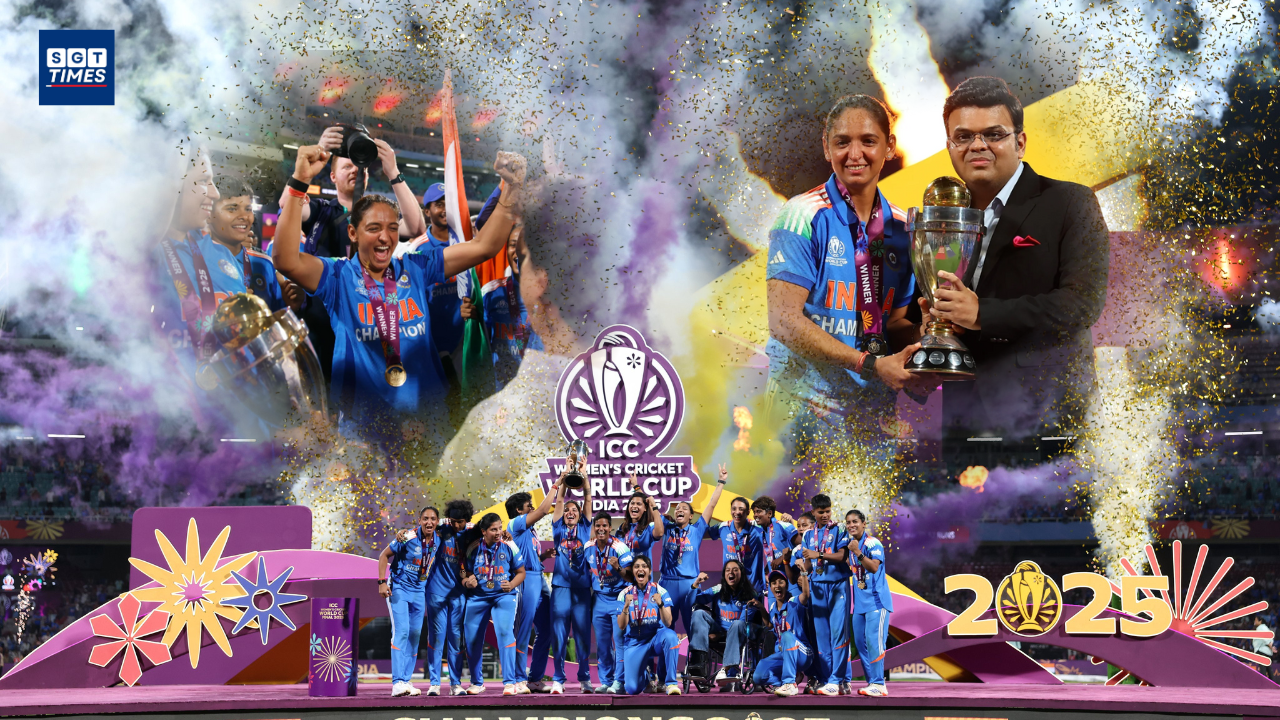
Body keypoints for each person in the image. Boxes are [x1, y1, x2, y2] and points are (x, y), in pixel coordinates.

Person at [270, 145, 525, 434]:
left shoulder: (415, 267)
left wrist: (512, 188)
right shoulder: (337, 276)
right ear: (353, 233)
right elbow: (285, 260)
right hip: (366, 428)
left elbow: (485, 247)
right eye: (374, 228)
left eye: (392, 228)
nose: (385, 237)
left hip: (426, 421)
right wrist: (299, 180)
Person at [922, 76, 1109, 440]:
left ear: (1019, 142)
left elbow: (1082, 304)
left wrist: (980, 315)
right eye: (963, 136)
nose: (977, 145)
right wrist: (933, 320)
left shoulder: (1070, 202)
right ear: (949, 145)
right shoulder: (942, 213)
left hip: (1050, 418)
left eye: (993, 134)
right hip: (965, 417)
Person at [766, 94, 927, 441]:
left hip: (870, 417)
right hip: (801, 411)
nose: (854, 155)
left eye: (868, 141)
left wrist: (925, 349)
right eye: (842, 142)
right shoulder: (802, 215)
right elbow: (783, 321)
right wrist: (868, 363)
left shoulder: (903, 227)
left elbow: (895, 324)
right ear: (827, 147)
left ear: (889, 147)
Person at [279, 128, 427, 384]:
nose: (356, 171)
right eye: (347, 166)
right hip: (322, 322)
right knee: (323, 397)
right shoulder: (318, 210)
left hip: (368, 322)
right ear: (333, 176)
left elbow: (415, 228)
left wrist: (393, 171)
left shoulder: (378, 218)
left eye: (361, 167)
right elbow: (286, 204)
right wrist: (318, 152)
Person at [209, 177, 301, 313]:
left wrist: (292, 306)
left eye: (248, 209)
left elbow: (277, 318)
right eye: (232, 209)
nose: (244, 216)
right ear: (209, 214)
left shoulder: (264, 264)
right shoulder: (197, 259)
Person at [460, 512, 526, 695]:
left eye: (499, 528)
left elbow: (521, 572)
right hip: (478, 597)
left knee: (505, 632)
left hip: (503, 596)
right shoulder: (473, 548)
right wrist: (466, 581)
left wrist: (512, 584)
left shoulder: (509, 544)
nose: (498, 532)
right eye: (493, 529)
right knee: (471, 638)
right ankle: (476, 682)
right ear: (483, 531)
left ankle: (510, 683)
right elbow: (463, 572)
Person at [377, 507, 439, 697]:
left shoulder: (438, 538)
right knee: (401, 631)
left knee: (414, 635)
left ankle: (406, 680)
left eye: (433, 519)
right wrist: (381, 582)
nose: (429, 522)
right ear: (419, 520)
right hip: (399, 588)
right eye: (425, 519)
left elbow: (460, 523)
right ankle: (396, 682)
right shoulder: (407, 537)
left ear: (438, 521)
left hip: (419, 591)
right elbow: (383, 555)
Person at [793, 494, 851, 696]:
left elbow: (843, 557)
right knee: (822, 638)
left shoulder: (840, 528)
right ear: (814, 512)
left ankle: (839, 679)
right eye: (821, 512)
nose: (825, 515)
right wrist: (803, 568)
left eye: (828, 511)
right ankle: (827, 680)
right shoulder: (808, 535)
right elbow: (809, 565)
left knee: (838, 635)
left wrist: (819, 555)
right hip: (817, 587)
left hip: (837, 585)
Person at [660, 465, 727, 634]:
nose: (680, 510)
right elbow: (650, 508)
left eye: (684, 508)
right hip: (667, 582)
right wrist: (636, 487)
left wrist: (720, 482)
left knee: (693, 627)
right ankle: (663, 661)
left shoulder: (696, 530)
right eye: (678, 509)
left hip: (690, 583)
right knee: (665, 627)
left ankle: (696, 660)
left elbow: (711, 505)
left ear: (691, 516)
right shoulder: (667, 527)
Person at [504, 483, 558, 694]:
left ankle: (535, 678)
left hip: (539, 578)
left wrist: (542, 557)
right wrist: (557, 484)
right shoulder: (515, 523)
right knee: (523, 629)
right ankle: (518, 678)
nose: (533, 508)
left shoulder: (529, 529)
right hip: (525, 578)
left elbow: (527, 554)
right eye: (529, 505)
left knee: (547, 629)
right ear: (519, 510)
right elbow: (544, 510)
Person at [547, 463, 595, 694]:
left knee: (582, 635)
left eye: (573, 510)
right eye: (567, 510)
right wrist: (564, 480)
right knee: (559, 635)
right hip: (560, 588)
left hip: (582, 589)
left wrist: (584, 479)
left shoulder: (586, 527)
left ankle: (584, 677)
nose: (570, 512)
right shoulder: (558, 529)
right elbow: (558, 501)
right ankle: (558, 678)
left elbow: (587, 500)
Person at [425, 499, 473, 696]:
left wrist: (505, 535)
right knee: (436, 638)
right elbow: (423, 526)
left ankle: (455, 684)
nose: (455, 525)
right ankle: (434, 684)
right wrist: (404, 533)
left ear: (466, 520)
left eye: (459, 521)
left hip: (458, 595)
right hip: (436, 591)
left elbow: (491, 533)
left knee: (455, 639)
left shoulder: (472, 534)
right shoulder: (442, 528)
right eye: (452, 520)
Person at [584, 510, 634, 694]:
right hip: (598, 599)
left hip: (618, 599)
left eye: (605, 526)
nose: (601, 529)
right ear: (594, 528)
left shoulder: (620, 548)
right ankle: (606, 681)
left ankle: (619, 682)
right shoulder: (588, 546)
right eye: (598, 526)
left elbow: (630, 577)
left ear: (610, 528)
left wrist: (618, 568)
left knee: (619, 642)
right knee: (603, 644)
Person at [687, 559, 759, 687]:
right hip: (719, 629)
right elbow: (693, 601)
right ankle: (699, 662)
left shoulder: (750, 594)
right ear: (724, 575)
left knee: (737, 624)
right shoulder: (718, 589)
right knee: (698, 613)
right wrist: (696, 584)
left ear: (741, 574)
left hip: (740, 633)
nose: (731, 572)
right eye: (728, 570)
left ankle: (726, 668)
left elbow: (743, 621)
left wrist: (720, 635)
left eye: (735, 570)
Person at [617, 555, 682, 695]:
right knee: (632, 689)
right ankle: (646, 678)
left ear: (650, 571)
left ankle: (670, 683)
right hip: (635, 642)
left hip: (655, 638)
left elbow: (668, 622)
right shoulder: (624, 594)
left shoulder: (660, 591)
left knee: (671, 637)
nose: (641, 569)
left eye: (644, 566)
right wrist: (626, 607)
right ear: (633, 572)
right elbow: (621, 626)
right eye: (637, 567)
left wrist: (661, 604)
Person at [844, 509, 892, 697]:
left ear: (864, 523)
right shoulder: (850, 544)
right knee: (861, 645)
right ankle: (872, 682)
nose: (851, 525)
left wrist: (857, 552)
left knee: (875, 642)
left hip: (877, 602)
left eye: (855, 521)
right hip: (860, 605)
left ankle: (880, 684)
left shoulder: (873, 543)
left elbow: (873, 567)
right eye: (848, 522)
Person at [754, 569, 812, 697]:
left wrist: (803, 573)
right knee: (758, 676)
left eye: (781, 582)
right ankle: (787, 681)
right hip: (783, 654)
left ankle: (790, 684)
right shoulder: (772, 608)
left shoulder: (794, 602)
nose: (777, 586)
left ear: (786, 585)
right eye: (774, 583)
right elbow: (769, 625)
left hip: (802, 653)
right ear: (770, 588)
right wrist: (761, 608)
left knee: (786, 635)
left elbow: (806, 595)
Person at [716, 496, 764, 593]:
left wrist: (789, 521)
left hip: (753, 587)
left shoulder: (758, 527)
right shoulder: (723, 527)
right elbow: (700, 533)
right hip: (731, 587)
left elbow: (776, 531)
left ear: (748, 512)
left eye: (741, 509)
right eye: (734, 509)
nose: (737, 512)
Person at [616, 473, 665, 558]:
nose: (634, 506)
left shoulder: (649, 527)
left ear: (645, 508)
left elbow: (660, 533)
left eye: (638, 504)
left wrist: (653, 506)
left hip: (642, 570)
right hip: (623, 570)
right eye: (632, 503)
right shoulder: (622, 527)